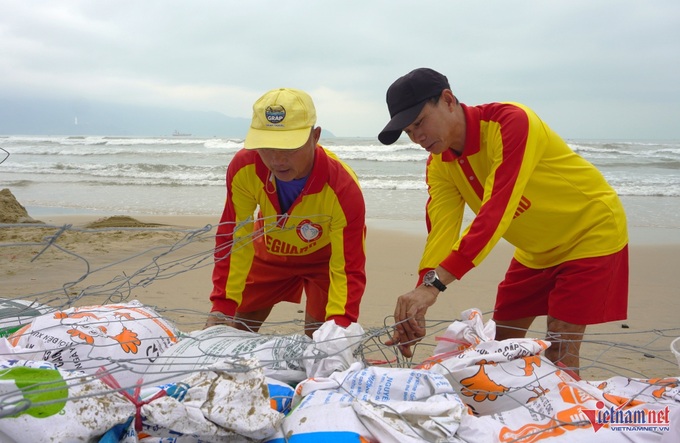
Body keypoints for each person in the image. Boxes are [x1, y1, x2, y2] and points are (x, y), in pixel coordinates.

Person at [379, 68, 628, 373]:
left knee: (560, 352)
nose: (417, 137)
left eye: (419, 123)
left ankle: (565, 419)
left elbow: (495, 213)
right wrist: (419, 296)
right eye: (408, 131)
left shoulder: (511, 123)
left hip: (590, 232)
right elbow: (441, 232)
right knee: (501, 350)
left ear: (448, 100)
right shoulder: (439, 163)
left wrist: (433, 287)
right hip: (535, 251)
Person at [206, 87, 367, 337]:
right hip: (269, 252)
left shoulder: (342, 187)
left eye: (289, 147)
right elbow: (234, 236)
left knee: (321, 341)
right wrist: (222, 305)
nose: (277, 159)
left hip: (323, 261)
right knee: (231, 329)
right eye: (267, 146)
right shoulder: (244, 168)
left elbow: (348, 265)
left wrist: (341, 323)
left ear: (315, 137)